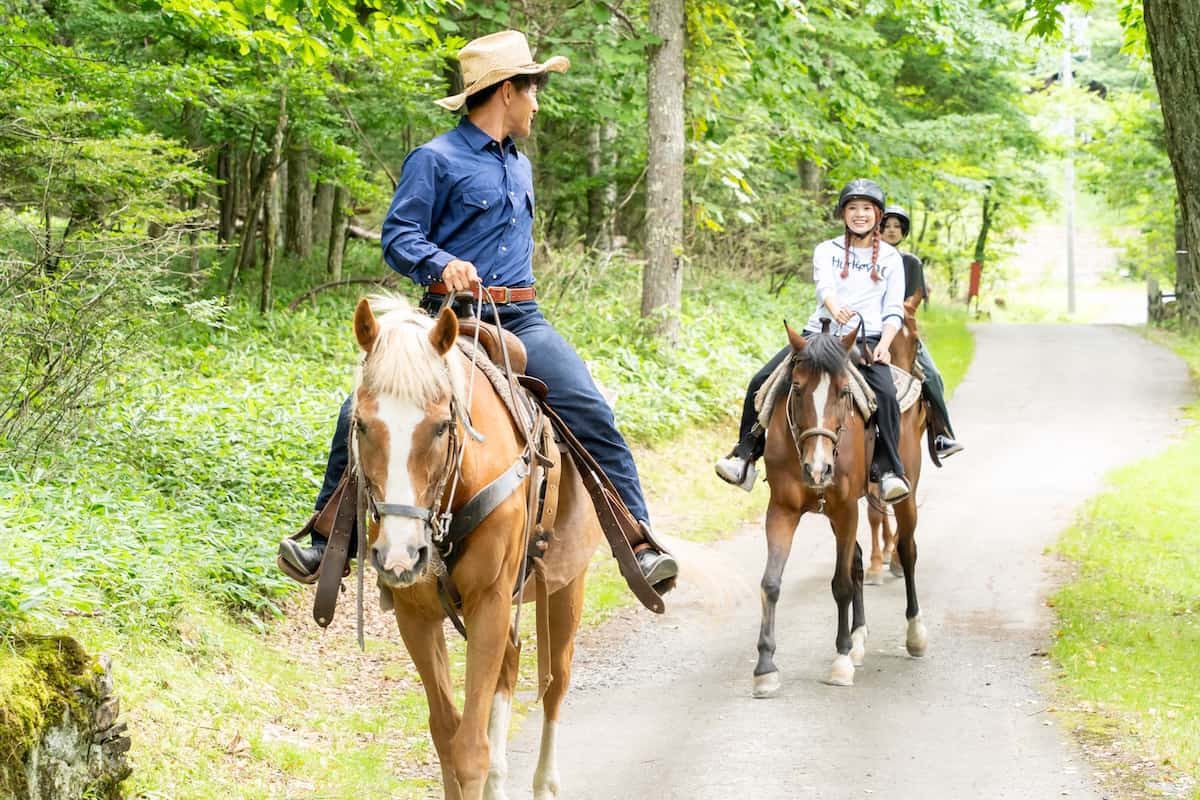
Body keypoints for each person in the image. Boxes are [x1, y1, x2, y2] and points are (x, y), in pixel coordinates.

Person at [279, 30, 678, 590]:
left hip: (521, 318)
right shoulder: (434, 159)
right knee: (361, 410)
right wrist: (441, 263)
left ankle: (638, 541)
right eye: (533, 90)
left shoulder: (521, 167)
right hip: (446, 321)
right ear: (507, 92)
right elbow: (398, 236)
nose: (538, 103)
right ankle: (326, 544)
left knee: (591, 408)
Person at [714, 178, 911, 502]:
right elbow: (825, 288)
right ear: (843, 213)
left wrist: (885, 345)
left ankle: (889, 469)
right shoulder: (826, 250)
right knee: (762, 380)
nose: (859, 214)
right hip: (819, 335)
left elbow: (893, 310)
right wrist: (836, 309)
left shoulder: (891, 258)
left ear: (877, 214)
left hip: (866, 339)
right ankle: (745, 455)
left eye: (866, 208)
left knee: (887, 395)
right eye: (852, 208)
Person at [880, 204, 963, 460]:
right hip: (870, 327)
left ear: (903, 232)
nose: (892, 231)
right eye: (887, 226)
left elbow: (911, 302)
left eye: (897, 227)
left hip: (901, 327)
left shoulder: (910, 262)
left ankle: (942, 433)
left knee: (933, 375)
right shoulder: (869, 259)